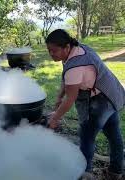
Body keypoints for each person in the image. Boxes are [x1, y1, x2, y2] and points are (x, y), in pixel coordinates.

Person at [45, 29, 125, 180]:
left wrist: (55, 118)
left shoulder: (75, 67)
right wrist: (58, 97)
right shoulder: (78, 49)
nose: (51, 54)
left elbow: (70, 99)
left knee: (87, 138)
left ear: (66, 47)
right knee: (114, 135)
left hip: (100, 102)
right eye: (49, 50)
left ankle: (85, 174)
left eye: (54, 50)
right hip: (111, 92)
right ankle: (116, 172)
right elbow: (66, 78)